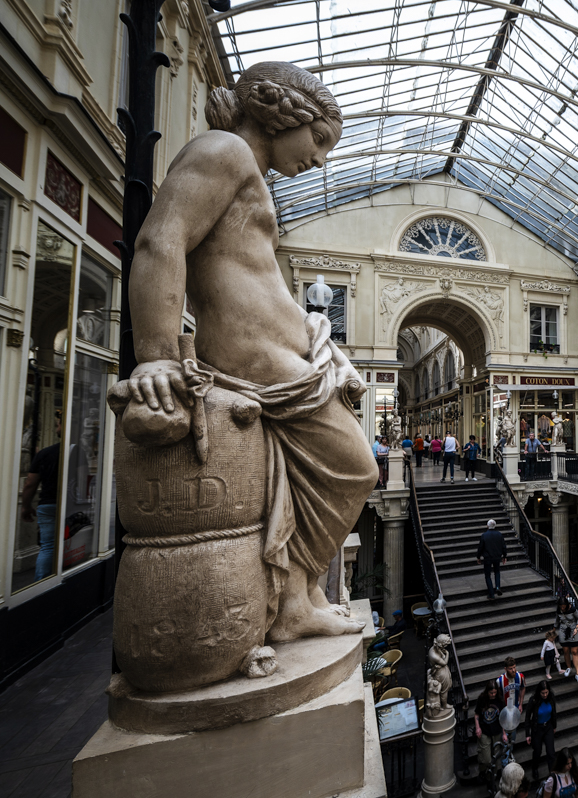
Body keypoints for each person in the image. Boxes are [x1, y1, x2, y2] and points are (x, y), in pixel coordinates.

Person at [122, 60, 372, 642]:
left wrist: (308, 327)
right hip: (255, 361)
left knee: (341, 473)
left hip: (278, 357)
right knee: (357, 469)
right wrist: (155, 354)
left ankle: (298, 597)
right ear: (284, 112)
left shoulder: (245, 170)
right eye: (319, 140)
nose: (319, 158)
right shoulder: (224, 152)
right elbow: (162, 240)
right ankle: (293, 601)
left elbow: (248, 275)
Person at [20, 411, 61, 581]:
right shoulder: (77, 451)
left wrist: (25, 506)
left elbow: (30, 483)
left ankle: (41, 583)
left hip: (47, 505)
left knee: (48, 546)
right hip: (68, 505)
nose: (57, 428)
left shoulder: (44, 454)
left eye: (58, 424)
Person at [524, 681, 558, 782]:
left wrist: (554, 726)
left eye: (546, 692)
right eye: (543, 693)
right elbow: (527, 717)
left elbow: (554, 712)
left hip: (548, 727)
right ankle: (535, 768)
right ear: (539, 692)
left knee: (551, 752)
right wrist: (527, 734)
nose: (545, 695)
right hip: (537, 728)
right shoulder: (533, 700)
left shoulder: (551, 697)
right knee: (537, 751)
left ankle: (552, 774)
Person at [474, 681, 508, 773]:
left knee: (495, 756)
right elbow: (477, 714)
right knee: (486, 759)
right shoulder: (482, 699)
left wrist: (504, 733)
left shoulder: (500, 700)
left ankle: (492, 777)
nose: (493, 695)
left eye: (494, 693)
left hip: (496, 731)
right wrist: (478, 728)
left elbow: (503, 718)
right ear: (487, 692)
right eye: (491, 693)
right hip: (485, 731)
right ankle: (483, 770)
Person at [476, 519, 507, 599]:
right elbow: (503, 546)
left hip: (487, 557)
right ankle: (497, 587)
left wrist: (478, 557)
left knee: (487, 575)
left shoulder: (484, 535)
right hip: (497, 557)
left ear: (487, 526)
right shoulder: (499, 535)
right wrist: (504, 556)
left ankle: (491, 594)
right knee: (497, 572)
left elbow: (480, 547)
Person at [555, 599, 578, 684]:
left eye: (564, 607)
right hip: (563, 630)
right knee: (566, 650)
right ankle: (568, 667)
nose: (562, 608)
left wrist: (576, 627)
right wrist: (553, 629)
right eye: (561, 607)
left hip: (573, 629)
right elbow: (557, 620)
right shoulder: (559, 610)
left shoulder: (572, 609)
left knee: (574, 651)